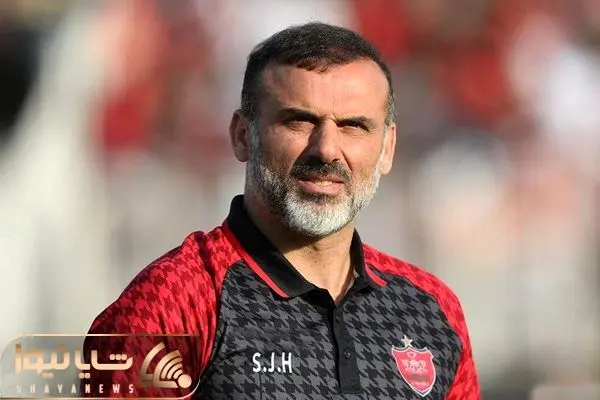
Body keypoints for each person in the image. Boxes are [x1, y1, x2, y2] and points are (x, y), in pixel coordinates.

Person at [85, 22, 481, 399]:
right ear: (242, 136)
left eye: (353, 126)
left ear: (387, 148)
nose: (326, 149)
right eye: (299, 121)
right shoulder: (172, 302)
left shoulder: (431, 311)